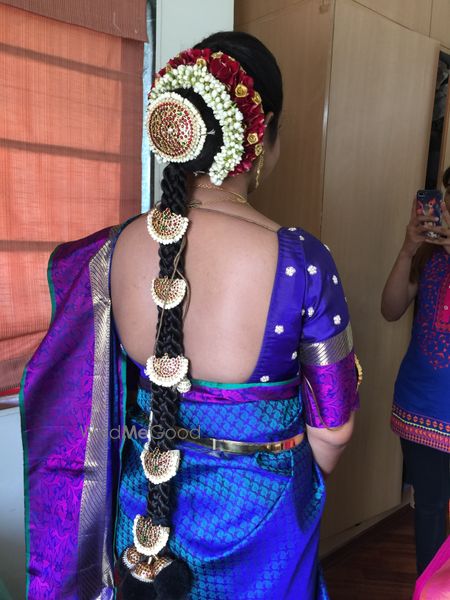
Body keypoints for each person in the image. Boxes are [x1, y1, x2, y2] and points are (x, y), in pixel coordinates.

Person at [19, 32, 360, 600]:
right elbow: (335, 428)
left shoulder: (113, 250)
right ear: (263, 133)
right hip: (260, 518)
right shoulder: (300, 261)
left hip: (144, 514)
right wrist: (294, 481)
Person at [381, 168, 450, 576]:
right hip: (421, 406)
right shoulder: (427, 256)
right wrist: (408, 249)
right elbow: (390, 309)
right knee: (429, 510)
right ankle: (431, 593)